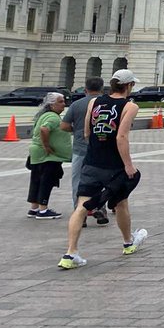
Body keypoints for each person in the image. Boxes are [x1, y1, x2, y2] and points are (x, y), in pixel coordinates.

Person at [59, 70, 148, 269]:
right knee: (121, 203)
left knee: (82, 206)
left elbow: (86, 131)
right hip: (114, 164)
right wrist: (128, 165)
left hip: (92, 161)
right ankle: (127, 242)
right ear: (128, 86)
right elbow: (121, 137)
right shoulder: (130, 106)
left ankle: (70, 253)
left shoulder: (94, 102)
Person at [61, 77, 109, 225]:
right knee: (101, 181)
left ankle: (79, 212)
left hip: (80, 149)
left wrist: (76, 130)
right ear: (102, 89)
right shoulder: (106, 104)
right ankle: (100, 208)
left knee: (78, 181)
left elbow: (64, 125)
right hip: (101, 150)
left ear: (85, 89)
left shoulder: (76, 105)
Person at [27, 92, 71, 219]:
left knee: (36, 180)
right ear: (52, 105)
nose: (64, 104)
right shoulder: (53, 117)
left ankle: (34, 208)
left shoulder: (44, 115)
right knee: (46, 181)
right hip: (47, 156)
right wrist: (46, 145)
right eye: (61, 102)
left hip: (37, 154)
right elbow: (44, 129)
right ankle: (43, 209)